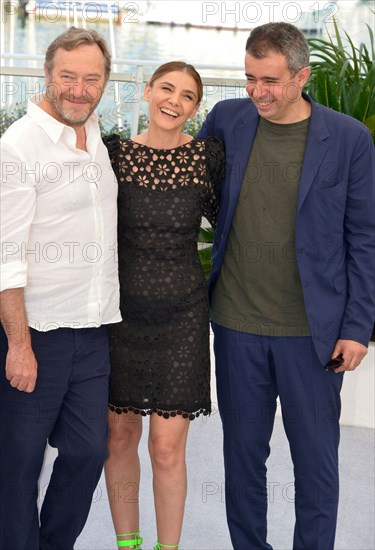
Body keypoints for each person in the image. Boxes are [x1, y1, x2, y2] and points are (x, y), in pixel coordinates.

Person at [197, 22, 375, 550]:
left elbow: (365, 238)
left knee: (316, 463)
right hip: (236, 326)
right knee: (243, 460)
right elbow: (186, 187)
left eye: (270, 80)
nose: (257, 92)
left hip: (313, 335)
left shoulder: (348, 138)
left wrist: (358, 327)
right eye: (249, 78)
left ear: (302, 76)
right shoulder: (227, 120)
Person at [0, 27, 121, 550]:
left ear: (104, 83)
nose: (79, 88)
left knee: (89, 452)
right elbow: (6, 257)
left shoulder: (93, 132)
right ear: (48, 75)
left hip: (93, 331)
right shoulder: (19, 146)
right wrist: (19, 345)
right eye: (68, 77)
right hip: (38, 335)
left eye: (91, 79)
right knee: (19, 464)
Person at [103, 61, 224, 550]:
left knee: (168, 449)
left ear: (196, 108)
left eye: (188, 95)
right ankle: (127, 544)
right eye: (167, 89)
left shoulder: (206, 160)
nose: (175, 101)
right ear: (148, 92)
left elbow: (236, 225)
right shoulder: (113, 155)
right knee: (120, 438)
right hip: (120, 318)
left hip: (182, 319)